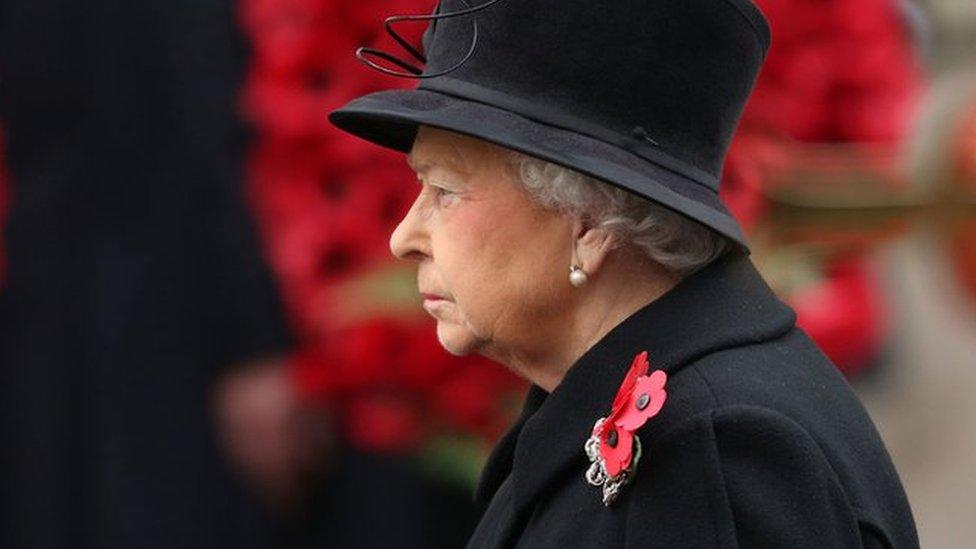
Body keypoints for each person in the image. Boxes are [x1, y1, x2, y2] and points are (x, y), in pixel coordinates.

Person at [328, 0, 919, 547]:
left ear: (590, 226)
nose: (404, 237)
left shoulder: (714, 450)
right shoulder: (661, 396)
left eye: (445, 190)